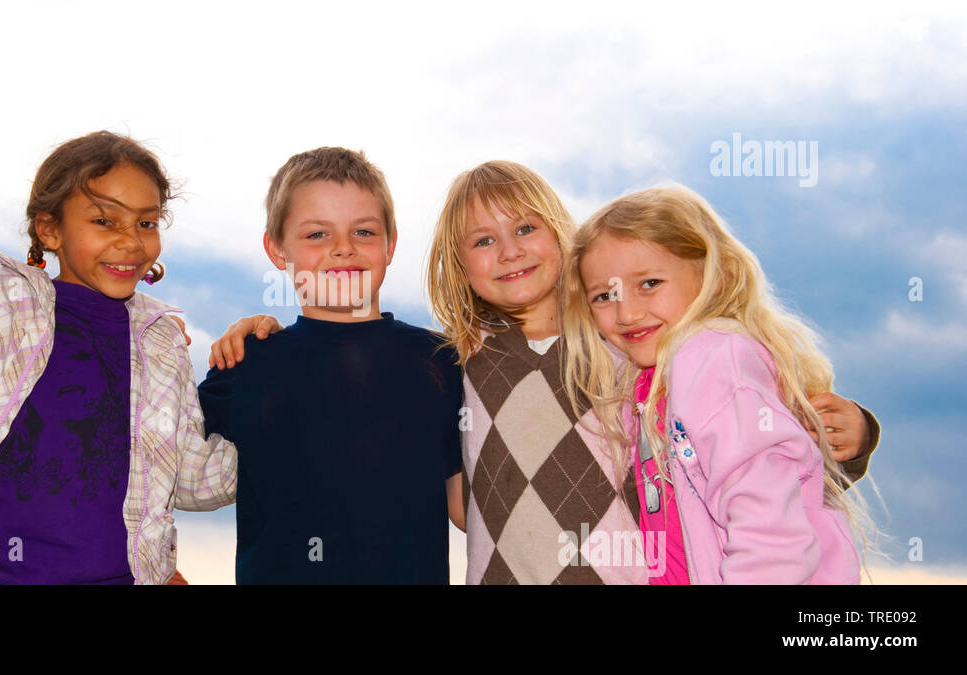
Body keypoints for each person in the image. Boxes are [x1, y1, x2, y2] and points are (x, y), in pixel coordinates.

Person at [214, 160, 879, 584]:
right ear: (458, 261)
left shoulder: (623, 345)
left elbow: (740, 448)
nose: (508, 252)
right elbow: (448, 492)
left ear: (563, 235)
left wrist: (855, 432)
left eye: (526, 227)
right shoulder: (458, 362)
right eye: (482, 240)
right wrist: (265, 336)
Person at [0, 131, 236, 585]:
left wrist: (268, 381)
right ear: (49, 229)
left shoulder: (160, 342)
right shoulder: (0, 303)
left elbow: (193, 479)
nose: (131, 242)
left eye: (146, 224)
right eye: (104, 221)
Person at [561, 184, 871, 583]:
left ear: (715, 277)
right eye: (604, 296)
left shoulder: (712, 359)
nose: (627, 313)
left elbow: (770, 533)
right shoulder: (643, 378)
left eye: (650, 283)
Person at [197, 147, 464, 584]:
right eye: (317, 235)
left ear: (391, 243)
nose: (343, 249)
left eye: (363, 231)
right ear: (277, 249)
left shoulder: (442, 362)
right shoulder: (245, 363)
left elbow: (469, 508)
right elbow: (157, 469)